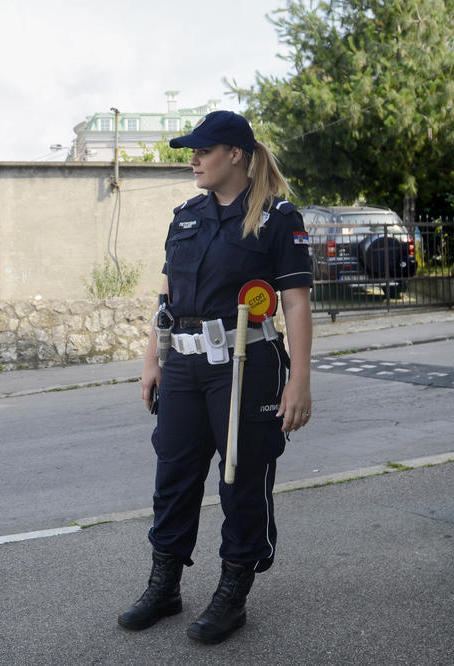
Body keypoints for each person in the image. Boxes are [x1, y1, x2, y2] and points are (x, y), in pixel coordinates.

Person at [117, 110, 313, 644]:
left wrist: (299, 382)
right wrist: (152, 359)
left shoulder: (276, 218)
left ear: (235, 155)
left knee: (241, 477)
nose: (193, 159)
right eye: (192, 151)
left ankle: (233, 593)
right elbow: (165, 297)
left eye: (203, 150)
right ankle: (165, 585)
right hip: (181, 364)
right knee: (174, 476)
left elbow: (295, 303)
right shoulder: (184, 215)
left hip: (248, 366)